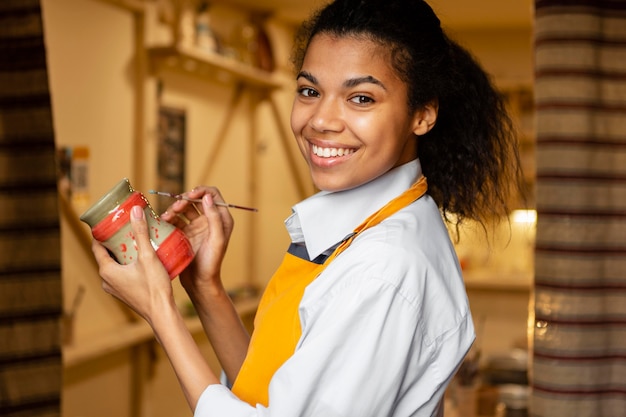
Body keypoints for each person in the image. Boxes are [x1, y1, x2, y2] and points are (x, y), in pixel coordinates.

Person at [91, 0, 523, 415]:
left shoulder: (382, 269)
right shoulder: (367, 229)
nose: (320, 120)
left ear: (423, 115)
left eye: (361, 99)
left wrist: (159, 309)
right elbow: (273, 396)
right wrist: (206, 289)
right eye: (309, 90)